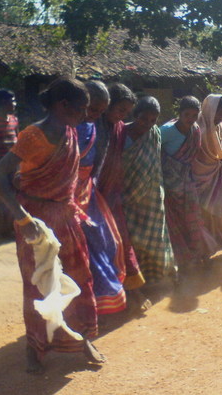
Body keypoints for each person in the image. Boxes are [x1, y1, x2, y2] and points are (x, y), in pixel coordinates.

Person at [0, 78, 104, 372]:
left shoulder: (70, 132)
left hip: (65, 216)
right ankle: (36, 347)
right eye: (82, 109)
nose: (85, 115)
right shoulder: (33, 136)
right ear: (63, 106)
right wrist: (23, 219)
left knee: (81, 278)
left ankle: (83, 339)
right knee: (38, 285)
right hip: (36, 223)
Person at [75, 81, 127, 315]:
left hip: (89, 193)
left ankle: (100, 304)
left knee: (106, 244)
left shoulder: (95, 128)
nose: (95, 115)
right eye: (91, 109)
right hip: (68, 199)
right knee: (81, 252)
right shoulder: (69, 129)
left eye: (99, 111)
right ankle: (82, 308)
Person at [96, 84, 148, 310]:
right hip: (90, 196)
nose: (123, 116)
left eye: (126, 113)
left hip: (113, 195)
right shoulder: (92, 128)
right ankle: (100, 300)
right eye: (120, 110)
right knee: (97, 247)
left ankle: (132, 291)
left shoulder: (118, 129)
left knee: (121, 241)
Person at [160, 96, 219, 271]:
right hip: (169, 184)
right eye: (187, 114)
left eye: (194, 115)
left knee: (194, 218)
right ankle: (183, 261)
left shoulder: (195, 130)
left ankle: (204, 254)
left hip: (187, 182)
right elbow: (154, 149)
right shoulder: (166, 130)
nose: (191, 119)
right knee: (175, 222)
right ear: (179, 113)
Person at [122, 96, 175, 281]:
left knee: (155, 238)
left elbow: (155, 163)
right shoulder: (121, 134)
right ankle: (135, 279)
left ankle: (155, 277)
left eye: (153, 120)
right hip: (127, 196)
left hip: (152, 195)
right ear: (135, 115)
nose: (148, 123)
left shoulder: (155, 133)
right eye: (144, 119)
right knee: (132, 239)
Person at [192, 95, 222, 254]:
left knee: (220, 212)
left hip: (215, 178)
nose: (220, 118)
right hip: (197, 179)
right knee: (202, 215)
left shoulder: (220, 127)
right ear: (209, 110)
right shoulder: (196, 127)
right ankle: (206, 251)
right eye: (218, 114)